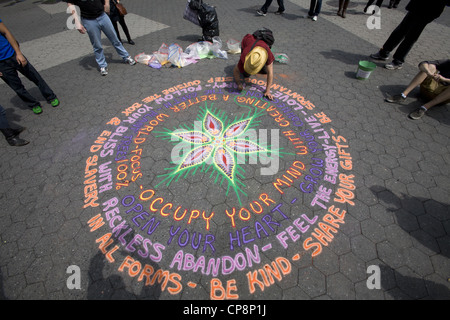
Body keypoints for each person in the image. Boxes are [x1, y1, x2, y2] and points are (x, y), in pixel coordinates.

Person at [0, 19, 59, 115]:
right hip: (1, 65)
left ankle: (50, 96)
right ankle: (33, 104)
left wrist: (18, 53)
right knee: (17, 87)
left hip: (12, 54)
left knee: (35, 77)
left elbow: (6, 32)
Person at [370, 0, 448, 70]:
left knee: (411, 37)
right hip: (416, 6)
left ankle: (398, 61)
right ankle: (384, 53)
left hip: (429, 10)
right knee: (400, 30)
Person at [65, 0, 136, 76]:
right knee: (97, 45)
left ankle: (126, 57)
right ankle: (102, 65)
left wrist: (107, 3)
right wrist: (77, 22)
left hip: (102, 16)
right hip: (88, 21)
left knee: (115, 39)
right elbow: (70, 4)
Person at [385, 59, 450, 119]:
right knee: (430, 66)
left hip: (442, 96)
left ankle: (424, 107)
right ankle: (403, 95)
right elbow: (422, 64)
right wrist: (428, 72)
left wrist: (444, 79)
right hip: (430, 87)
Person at [233, 31, 275, 100]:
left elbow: (270, 72)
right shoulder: (244, 56)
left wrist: (268, 91)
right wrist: (238, 83)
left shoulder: (267, 52)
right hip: (247, 41)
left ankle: (259, 67)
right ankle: (249, 69)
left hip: (259, 46)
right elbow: (236, 70)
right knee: (245, 74)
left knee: (265, 71)